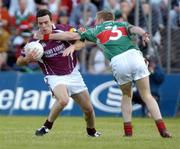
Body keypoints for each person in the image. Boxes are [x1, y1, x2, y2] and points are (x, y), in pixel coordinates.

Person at [34, 10, 172, 138]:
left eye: (95, 20)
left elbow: (72, 36)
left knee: (126, 95)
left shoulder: (97, 29)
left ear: (100, 19)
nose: (94, 22)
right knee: (147, 95)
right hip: (135, 56)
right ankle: (162, 128)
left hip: (118, 61)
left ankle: (128, 132)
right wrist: (143, 34)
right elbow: (134, 29)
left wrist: (46, 36)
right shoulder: (122, 24)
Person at [16, 9, 101, 137]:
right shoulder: (34, 42)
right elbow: (19, 61)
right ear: (37, 24)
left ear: (51, 20)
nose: (44, 26)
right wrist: (27, 59)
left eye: (46, 22)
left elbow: (80, 40)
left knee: (88, 109)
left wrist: (73, 47)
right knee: (63, 100)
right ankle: (46, 127)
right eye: (40, 24)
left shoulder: (63, 29)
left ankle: (92, 132)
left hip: (73, 74)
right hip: (54, 76)